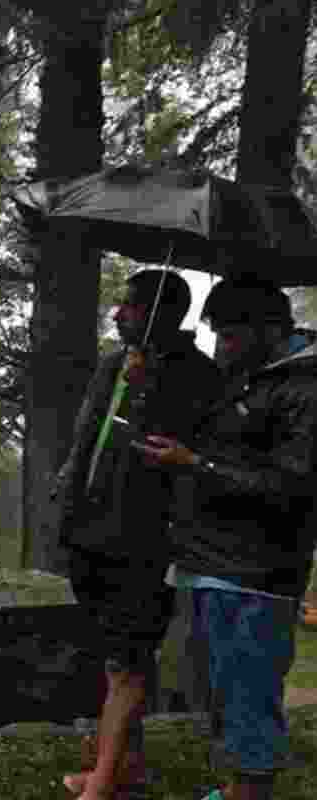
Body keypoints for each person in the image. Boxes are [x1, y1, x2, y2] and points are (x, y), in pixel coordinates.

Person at [133, 276, 317, 800]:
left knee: (247, 694)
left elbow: (291, 487)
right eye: (216, 334)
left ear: (270, 329)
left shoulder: (305, 390)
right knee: (218, 693)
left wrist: (197, 464)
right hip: (212, 558)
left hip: (256, 572)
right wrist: (145, 386)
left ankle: (250, 792)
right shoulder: (248, 378)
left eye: (230, 336)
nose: (220, 348)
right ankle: (235, 787)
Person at [53, 270, 222, 800]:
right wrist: (68, 492)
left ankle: (103, 784)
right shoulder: (113, 364)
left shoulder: (197, 376)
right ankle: (127, 764)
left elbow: (179, 453)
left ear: (162, 314)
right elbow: (86, 437)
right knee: (112, 657)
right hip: (89, 531)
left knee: (128, 659)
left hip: (144, 540)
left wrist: (147, 386)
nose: (116, 313)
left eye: (129, 306)